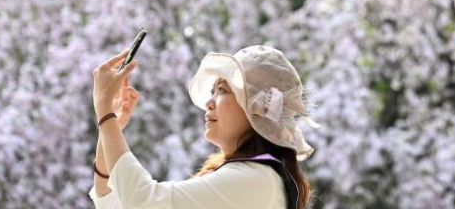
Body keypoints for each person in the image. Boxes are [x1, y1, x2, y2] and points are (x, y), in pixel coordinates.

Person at [89, 44, 321, 209]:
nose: (209, 102)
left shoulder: (256, 180)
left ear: (256, 109)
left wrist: (105, 110)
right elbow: (113, 202)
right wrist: (111, 127)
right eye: (213, 91)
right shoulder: (248, 177)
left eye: (223, 90)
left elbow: (143, 201)